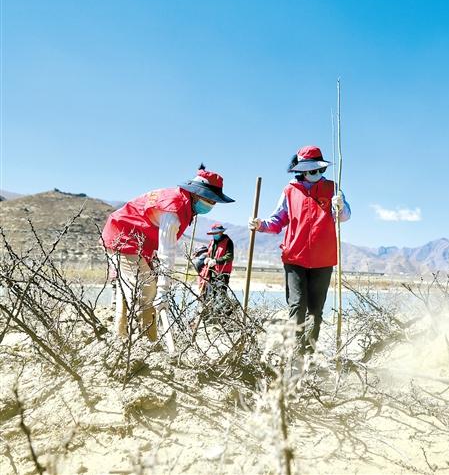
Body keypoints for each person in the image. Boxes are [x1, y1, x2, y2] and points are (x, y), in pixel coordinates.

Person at [102, 165, 235, 340]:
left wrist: (162, 285)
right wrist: (163, 290)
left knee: (129, 289)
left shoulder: (184, 204)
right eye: (210, 200)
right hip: (123, 238)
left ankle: (121, 337)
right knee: (146, 291)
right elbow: (167, 252)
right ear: (197, 194)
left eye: (214, 201)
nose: (212, 204)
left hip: (139, 243)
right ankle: (148, 342)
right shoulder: (173, 209)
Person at [249, 145, 351, 355]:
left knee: (316, 311)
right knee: (297, 305)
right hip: (294, 257)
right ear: (302, 170)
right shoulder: (290, 191)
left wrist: (340, 206)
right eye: (313, 170)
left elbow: (344, 216)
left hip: (324, 259)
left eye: (320, 169)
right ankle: (295, 353)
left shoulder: (332, 188)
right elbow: (278, 220)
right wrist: (260, 225)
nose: (317, 173)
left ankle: (309, 354)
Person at [198, 222, 235, 303]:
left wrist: (216, 261)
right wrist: (208, 259)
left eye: (216, 233)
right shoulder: (212, 242)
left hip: (222, 273)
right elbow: (210, 254)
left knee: (220, 295)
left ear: (221, 232)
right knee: (209, 295)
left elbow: (229, 256)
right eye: (213, 233)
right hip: (211, 273)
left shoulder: (228, 242)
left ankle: (222, 309)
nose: (215, 235)